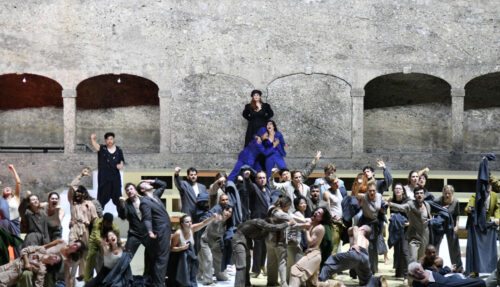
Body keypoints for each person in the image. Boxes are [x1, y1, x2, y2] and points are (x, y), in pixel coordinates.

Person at [318, 225, 388, 287]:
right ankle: (378, 280)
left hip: (355, 253)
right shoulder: (367, 241)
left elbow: (355, 228)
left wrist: (355, 244)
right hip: (365, 257)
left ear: (362, 229)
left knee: (332, 260)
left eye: (361, 227)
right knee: (367, 279)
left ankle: (320, 280)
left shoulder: (357, 231)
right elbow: (363, 254)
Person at [67, 167, 98, 284]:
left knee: (85, 253)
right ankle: (70, 278)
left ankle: (84, 276)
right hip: (74, 228)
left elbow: (95, 219)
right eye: (77, 192)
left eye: (80, 192)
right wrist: (81, 175)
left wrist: (96, 235)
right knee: (73, 251)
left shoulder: (89, 204)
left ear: (84, 194)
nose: (78, 194)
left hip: (85, 229)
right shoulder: (73, 203)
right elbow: (71, 187)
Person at [138, 178, 171, 287]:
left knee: (162, 259)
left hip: (165, 230)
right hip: (159, 232)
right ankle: (158, 284)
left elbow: (163, 185)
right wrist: (150, 231)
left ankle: (157, 283)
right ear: (142, 190)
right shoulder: (144, 202)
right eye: (144, 184)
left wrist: (151, 180)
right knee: (161, 259)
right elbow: (147, 218)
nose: (147, 183)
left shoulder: (155, 196)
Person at [168, 214, 216, 287]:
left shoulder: (192, 229)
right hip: (179, 259)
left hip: (190, 258)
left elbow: (203, 223)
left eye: (190, 221)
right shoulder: (178, 233)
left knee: (192, 278)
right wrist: (182, 248)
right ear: (182, 224)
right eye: (187, 222)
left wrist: (212, 218)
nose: (190, 223)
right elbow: (172, 248)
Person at [386, 186, 431, 263]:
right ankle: (409, 274)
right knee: (413, 259)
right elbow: (401, 207)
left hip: (424, 236)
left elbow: (428, 217)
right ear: (414, 196)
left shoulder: (427, 205)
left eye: (421, 193)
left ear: (424, 195)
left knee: (421, 260)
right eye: (417, 193)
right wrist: (390, 204)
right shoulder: (411, 204)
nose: (419, 195)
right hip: (414, 237)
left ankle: (418, 274)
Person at [242, 170, 273, 277]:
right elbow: (249, 186)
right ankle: (256, 270)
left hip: (268, 221)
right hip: (258, 221)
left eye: (264, 177)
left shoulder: (268, 189)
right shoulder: (254, 187)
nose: (262, 179)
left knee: (265, 245)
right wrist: (246, 178)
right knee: (258, 246)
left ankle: (261, 266)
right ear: (256, 179)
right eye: (259, 178)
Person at [117, 183, 152, 278]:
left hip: (147, 233)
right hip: (134, 234)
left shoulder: (144, 200)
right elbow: (123, 216)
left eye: (131, 189)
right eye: (127, 190)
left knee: (151, 256)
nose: (129, 191)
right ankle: (124, 279)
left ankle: (147, 278)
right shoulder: (126, 203)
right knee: (126, 257)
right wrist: (122, 205)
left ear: (135, 190)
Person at [288, 207, 329, 287]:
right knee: (313, 284)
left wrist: (306, 230)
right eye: (317, 211)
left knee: (295, 269)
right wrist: (287, 213)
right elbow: (297, 218)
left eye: (319, 213)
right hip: (310, 254)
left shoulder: (320, 228)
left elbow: (310, 242)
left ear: (321, 218)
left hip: (314, 254)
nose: (316, 212)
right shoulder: (311, 222)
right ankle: (337, 285)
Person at [198, 205, 233, 285]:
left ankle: (220, 276)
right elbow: (205, 222)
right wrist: (212, 218)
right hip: (206, 241)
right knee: (209, 259)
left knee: (219, 260)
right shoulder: (216, 217)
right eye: (226, 210)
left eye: (230, 212)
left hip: (216, 242)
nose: (228, 213)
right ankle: (208, 281)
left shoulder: (228, 223)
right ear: (223, 210)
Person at [90, 132, 125, 209]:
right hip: (104, 179)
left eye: (111, 139)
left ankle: (122, 215)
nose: (110, 141)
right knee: (101, 200)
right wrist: (92, 139)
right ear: (105, 140)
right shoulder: (102, 148)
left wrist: (121, 165)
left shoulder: (119, 150)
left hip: (115, 179)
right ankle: (99, 217)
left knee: (118, 199)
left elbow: (121, 160)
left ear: (114, 139)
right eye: (108, 139)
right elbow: (96, 146)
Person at [433, 185, 463, 272]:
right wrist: (440, 209)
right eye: (445, 193)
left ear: (452, 194)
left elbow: (457, 214)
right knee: (436, 246)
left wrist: (457, 226)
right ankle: (434, 267)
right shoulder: (438, 200)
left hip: (451, 225)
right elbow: (431, 211)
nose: (447, 195)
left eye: (449, 193)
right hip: (440, 225)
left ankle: (458, 268)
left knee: (454, 247)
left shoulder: (455, 201)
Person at [83, 212, 120, 282]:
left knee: (109, 257)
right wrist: (102, 242)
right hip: (95, 239)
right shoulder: (97, 223)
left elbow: (118, 239)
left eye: (110, 223)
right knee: (91, 255)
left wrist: (116, 246)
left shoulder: (115, 228)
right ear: (103, 221)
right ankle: (87, 279)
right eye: (107, 223)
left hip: (108, 239)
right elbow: (96, 237)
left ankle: (107, 277)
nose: (108, 225)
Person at [266, 195, 292, 287]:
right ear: (286, 205)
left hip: (269, 239)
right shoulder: (282, 214)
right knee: (282, 262)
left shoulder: (271, 208)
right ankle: (284, 283)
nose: (289, 208)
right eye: (289, 206)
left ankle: (271, 282)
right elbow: (293, 220)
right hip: (278, 241)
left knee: (271, 261)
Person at [388, 183, 410, 282]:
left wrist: (409, 223)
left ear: (403, 191)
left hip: (406, 229)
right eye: (396, 188)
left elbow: (409, 211)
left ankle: (406, 275)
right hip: (397, 229)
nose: (397, 190)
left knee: (404, 251)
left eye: (399, 188)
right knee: (397, 251)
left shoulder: (408, 201)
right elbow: (392, 213)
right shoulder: (391, 201)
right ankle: (399, 271)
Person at [287, 195, 311, 281]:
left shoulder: (302, 213)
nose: (304, 205)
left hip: (299, 240)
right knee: (296, 262)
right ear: (297, 206)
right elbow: (305, 228)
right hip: (297, 241)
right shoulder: (297, 213)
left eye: (305, 203)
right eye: (301, 203)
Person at [408, 262, 485, 287]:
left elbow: (440, 271)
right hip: (447, 285)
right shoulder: (417, 282)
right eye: (416, 272)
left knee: (458, 276)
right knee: (480, 282)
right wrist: (415, 278)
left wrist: (450, 269)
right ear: (414, 275)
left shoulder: (428, 269)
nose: (419, 271)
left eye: (418, 269)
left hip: (449, 280)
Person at [323, 174, 344, 255]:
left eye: (337, 182)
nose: (337, 184)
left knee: (338, 245)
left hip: (341, 221)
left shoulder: (338, 190)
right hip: (333, 223)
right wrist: (333, 216)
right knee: (333, 246)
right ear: (330, 184)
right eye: (335, 183)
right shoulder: (327, 193)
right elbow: (326, 209)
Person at [0, 164, 22, 237]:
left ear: (12, 191)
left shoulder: (16, 198)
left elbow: (18, 182)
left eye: (9, 188)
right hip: (3, 224)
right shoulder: (1, 200)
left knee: (16, 245)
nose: (7, 188)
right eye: (5, 188)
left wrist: (13, 169)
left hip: (15, 223)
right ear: (3, 192)